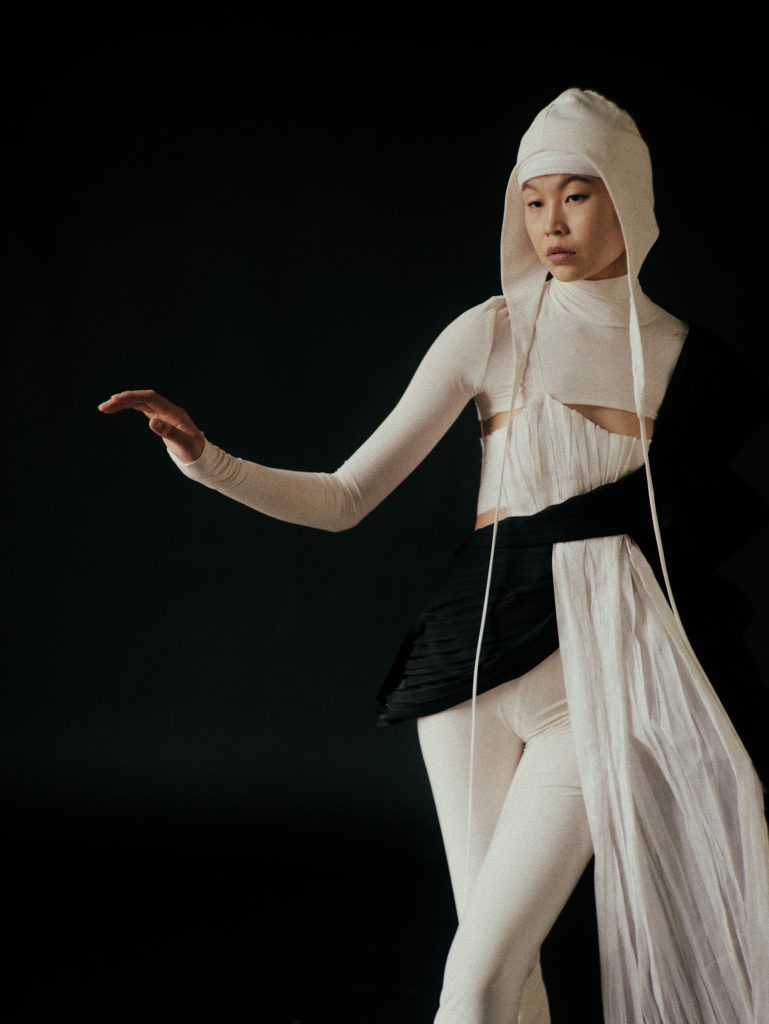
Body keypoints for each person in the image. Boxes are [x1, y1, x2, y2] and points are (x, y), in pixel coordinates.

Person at [99, 88, 769, 1023]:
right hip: (463, 680)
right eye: (531, 201)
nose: (550, 223)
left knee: (478, 977)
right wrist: (207, 460)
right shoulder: (489, 331)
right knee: (505, 974)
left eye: (576, 196)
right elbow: (345, 498)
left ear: (628, 198)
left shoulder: (691, 364)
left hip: (596, 684)